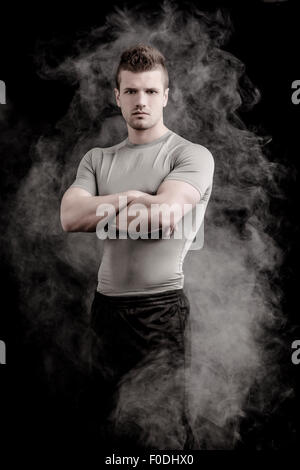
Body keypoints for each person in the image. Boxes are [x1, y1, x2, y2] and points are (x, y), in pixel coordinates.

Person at [60, 43, 215, 451]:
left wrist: (105, 207)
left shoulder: (191, 155)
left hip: (159, 313)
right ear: (117, 96)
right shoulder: (96, 159)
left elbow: (162, 216)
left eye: (150, 91)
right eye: (130, 91)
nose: (140, 101)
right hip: (105, 310)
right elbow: (70, 217)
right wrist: (135, 196)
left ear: (166, 95)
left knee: (163, 436)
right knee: (105, 431)